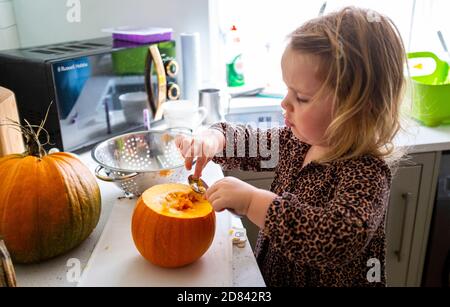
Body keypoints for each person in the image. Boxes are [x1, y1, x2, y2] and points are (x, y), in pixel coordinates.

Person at [176, 7, 406, 287]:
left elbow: (334, 239)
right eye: (287, 90)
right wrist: (213, 140)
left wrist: (252, 202)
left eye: (302, 97)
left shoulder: (366, 173)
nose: (285, 103)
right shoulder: (296, 143)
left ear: (356, 109)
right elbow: (246, 141)